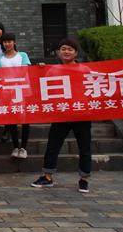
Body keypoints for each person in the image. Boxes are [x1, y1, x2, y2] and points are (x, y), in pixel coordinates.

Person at [32, 38, 92, 193]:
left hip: (81, 113)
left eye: (70, 49)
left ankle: (84, 179)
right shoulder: (53, 70)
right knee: (53, 145)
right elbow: (42, 85)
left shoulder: (85, 69)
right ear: (59, 52)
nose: (66, 52)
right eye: (63, 49)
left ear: (76, 53)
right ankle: (47, 177)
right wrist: (40, 70)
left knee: (84, 147)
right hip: (61, 112)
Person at [0, 33, 32, 159]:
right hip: (7, 92)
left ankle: (24, 148)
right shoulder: (0, 59)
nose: (7, 44)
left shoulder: (22, 55)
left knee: (25, 119)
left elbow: (24, 70)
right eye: (5, 42)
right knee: (12, 119)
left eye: (10, 41)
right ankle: (16, 147)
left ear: (14, 42)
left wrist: (14, 82)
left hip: (23, 90)